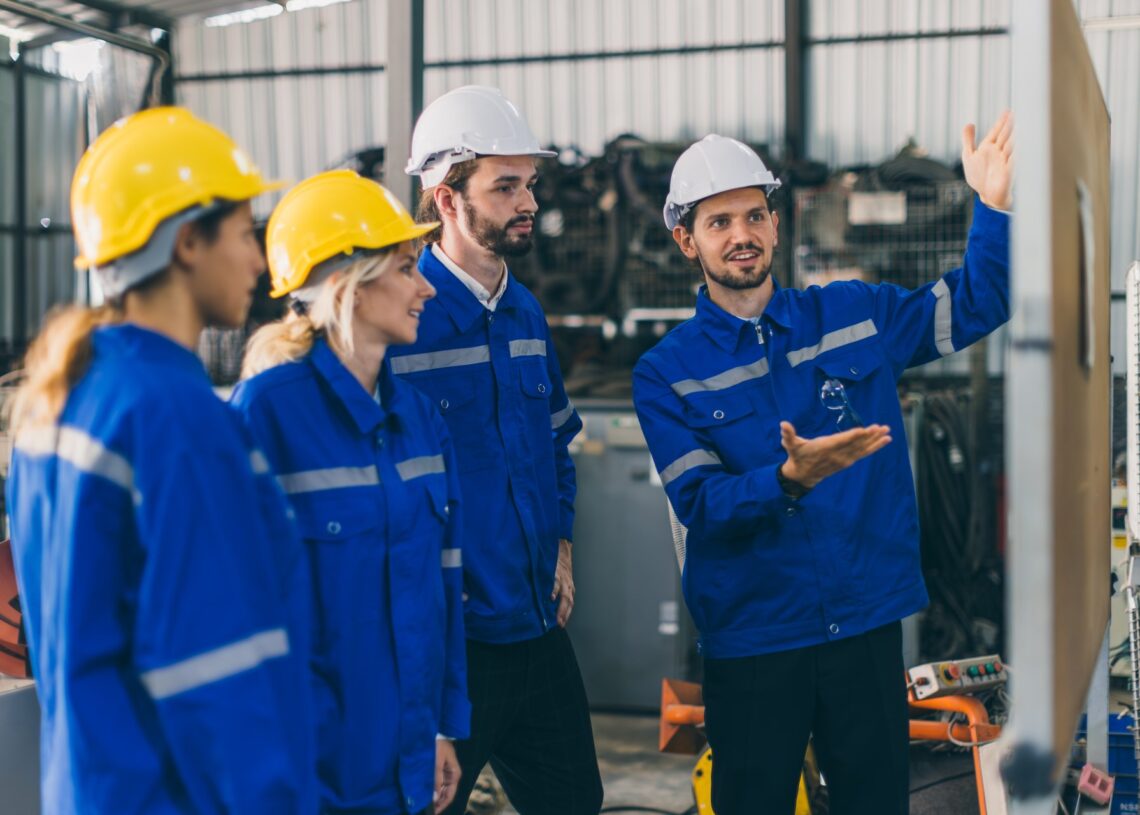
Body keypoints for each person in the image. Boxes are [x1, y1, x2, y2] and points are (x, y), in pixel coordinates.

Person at [631, 113, 1014, 814]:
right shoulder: (666, 372)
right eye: (719, 222)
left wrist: (993, 207)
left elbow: (977, 300)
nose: (742, 234)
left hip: (863, 626)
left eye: (754, 215)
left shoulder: (854, 314)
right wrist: (787, 481)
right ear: (687, 240)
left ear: (776, 225)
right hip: (755, 637)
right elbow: (701, 503)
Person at [3, 107, 315, 813]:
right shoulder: (177, 420)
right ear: (187, 243)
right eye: (245, 234)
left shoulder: (61, 398)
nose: (259, 262)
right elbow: (219, 671)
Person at [231, 169, 469, 815]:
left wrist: (441, 726)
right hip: (309, 770)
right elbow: (235, 609)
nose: (426, 287)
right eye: (406, 268)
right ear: (351, 287)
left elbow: (443, 584)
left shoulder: (421, 419)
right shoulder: (264, 415)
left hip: (406, 761)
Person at [395, 85, 603, 815]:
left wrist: (563, 544)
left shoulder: (524, 311)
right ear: (447, 199)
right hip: (452, 643)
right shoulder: (405, 319)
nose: (529, 202)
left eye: (530, 184)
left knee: (575, 802)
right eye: (506, 186)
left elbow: (555, 442)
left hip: (537, 626)